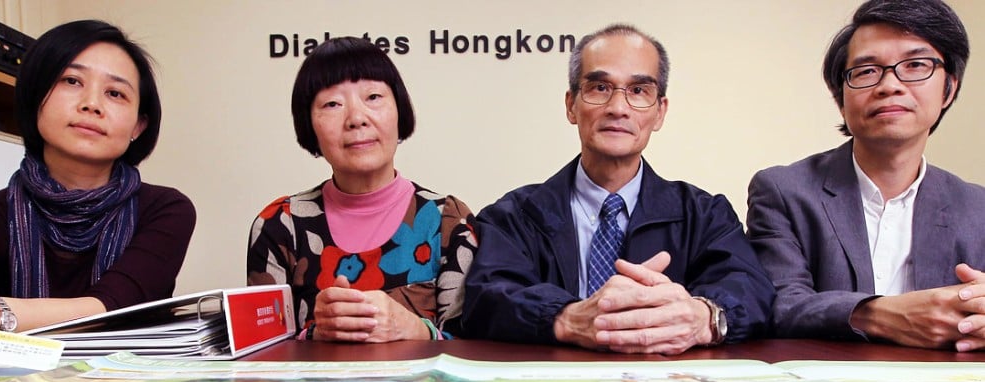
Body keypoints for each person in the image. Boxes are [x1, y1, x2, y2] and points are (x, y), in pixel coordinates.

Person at [461, 24, 773, 354]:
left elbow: (752, 288)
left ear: (659, 112)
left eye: (638, 91)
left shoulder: (705, 214)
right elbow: (488, 297)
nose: (618, 107)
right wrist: (568, 318)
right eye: (599, 87)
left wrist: (704, 316)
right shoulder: (513, 215)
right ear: (571, 105)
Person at [747, 0, 985, 351]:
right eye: (866, 71)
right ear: (840, 97)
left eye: (916, 65)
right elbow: (777, 304)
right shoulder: (784, 190)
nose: (890, 85)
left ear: (949, 87)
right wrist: (882, 313)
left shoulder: (977, 207)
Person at [0, 20, 196, 358]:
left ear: (138, 126)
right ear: (36, 99)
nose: (92, 104)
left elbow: (112, 307)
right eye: (72, 81)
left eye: (115, 93)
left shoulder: (166, 209)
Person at [246, 36, 478, 342]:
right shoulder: (279, 225)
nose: (356, 118)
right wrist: (315, 334)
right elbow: (259, 354)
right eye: (332, 104)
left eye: (373, 97)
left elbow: (472, 351)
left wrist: (416, 330)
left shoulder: (449, 220)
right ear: (309, 126)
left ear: (400, 110)